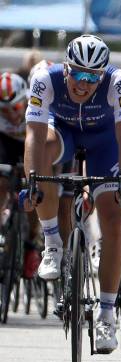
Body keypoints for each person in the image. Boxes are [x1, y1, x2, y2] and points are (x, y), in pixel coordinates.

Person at [23, 35, 121, 353]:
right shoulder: (46, 79)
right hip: (64, 133)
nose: (83, 83)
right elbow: (32, 136)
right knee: (44, 148)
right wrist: (32, 181)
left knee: (113, 221)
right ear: (66, 67)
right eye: (77, 73)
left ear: (102, 74)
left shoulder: (119, 82)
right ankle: (52, 243)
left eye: (92, 76)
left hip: (106, 141)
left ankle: (106, 314)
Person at [0, 72, 42, 279]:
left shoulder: (36, 107)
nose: (11, 115)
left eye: (16, 108)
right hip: (5, 144)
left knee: (34, 190)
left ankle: (30, 243)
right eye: (3, 110)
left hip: (28, 144)